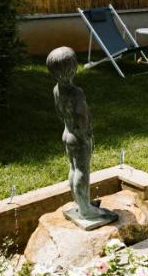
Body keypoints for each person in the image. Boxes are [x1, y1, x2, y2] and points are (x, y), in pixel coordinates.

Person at [46, 47, 117, 228]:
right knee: (82, 171)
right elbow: (81, 115)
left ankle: (81, 202)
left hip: (67, 133)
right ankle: (86, 210)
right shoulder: (76, 92)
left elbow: (60, 113)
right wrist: (86, 134)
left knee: (73, 168)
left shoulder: (56, 90)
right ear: (72, 68)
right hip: (79, 137)